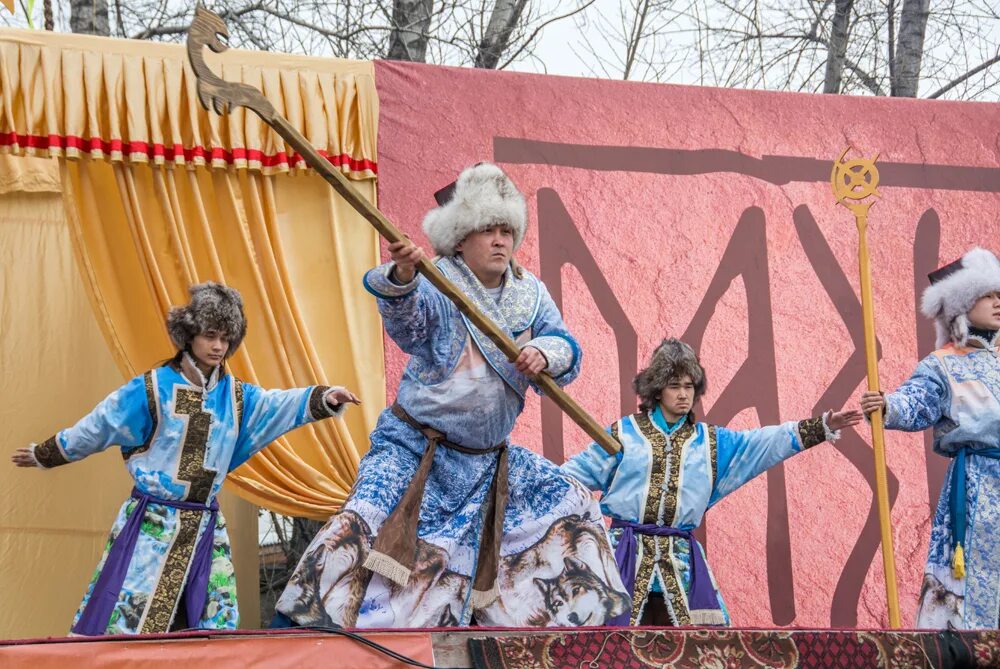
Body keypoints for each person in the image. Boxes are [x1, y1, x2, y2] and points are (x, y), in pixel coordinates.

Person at [274, 162, 628, 628]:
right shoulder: (438, 282)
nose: (501, 240)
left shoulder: (531, 294)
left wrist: (543, 352)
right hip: (414, 449)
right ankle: (311, 633)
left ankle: (575, 631)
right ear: (461, 238)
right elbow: (408, 324)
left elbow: (565, 345)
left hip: (489, 462)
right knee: (361, 522)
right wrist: (403, 275)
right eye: (488, 230)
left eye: (507, 230)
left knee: (572, 502)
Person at [11, 282, 360, 635]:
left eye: (226, 338)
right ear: (189, 334)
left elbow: (276, 405)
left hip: (207, 526)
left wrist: (324, 398)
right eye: (210, 335)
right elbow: (102, 423)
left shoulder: (236, 397)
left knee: (215, 623)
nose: (218, 346)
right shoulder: (152, 388)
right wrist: (47, 453)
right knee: (130, 621)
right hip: (152, 524)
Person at [561, 338, 861, 626]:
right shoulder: (623, 434)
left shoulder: (710, 443)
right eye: (674, 386)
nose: (683, 394)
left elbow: (763, 443)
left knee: (692, 652)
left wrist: (820, 428)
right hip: (623, 555)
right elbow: (570, 477)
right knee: (611, 648)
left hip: (680, 559)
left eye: (689, 386)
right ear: (657, 390)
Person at [860, 247, 1000, 629]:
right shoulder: (943, 364)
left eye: (999, 295)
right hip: (976, 490)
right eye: (987, 294)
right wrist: (887, 405)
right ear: (960, 303)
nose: (997, 302)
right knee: (968, 599)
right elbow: (916, 401)